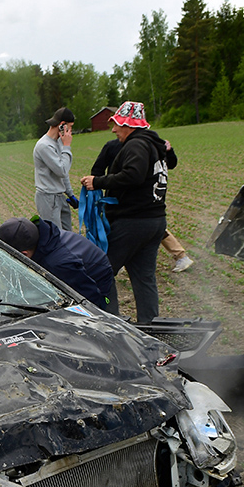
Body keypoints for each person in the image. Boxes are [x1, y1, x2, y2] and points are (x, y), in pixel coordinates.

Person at [80, 101, 169, 323]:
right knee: (144, 278)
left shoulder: (136, 145)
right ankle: (150, 325)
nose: (113, 130)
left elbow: (133, 175)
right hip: (155, 221)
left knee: (101, 270)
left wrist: (97, 182)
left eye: (117, 124)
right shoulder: (154, 145)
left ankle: (112, 322)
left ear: (129, 125)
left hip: (133, 221)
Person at [91, 136, 193, 272]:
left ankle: (180, 256)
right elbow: (97, 170)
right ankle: (180, 256)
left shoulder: (151, 144)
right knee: (118, 230)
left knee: (145, 229)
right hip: (117, 199)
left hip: (142, 200)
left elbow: (171, 164)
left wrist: (169, 151)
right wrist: (97, 185)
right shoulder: (112, 146)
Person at [0, 216, 118, 313]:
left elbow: (89, 298)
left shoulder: (58, 264)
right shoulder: (38, 235)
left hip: (98, 280)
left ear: (24, 254)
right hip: (76, 265)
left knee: (103, 321)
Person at [33, 107, 76, 230]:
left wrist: (70, 194)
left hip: (59, 196)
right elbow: (61, 170)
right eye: (70, 127)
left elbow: (64, 173)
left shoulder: (58, 143)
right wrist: (67, 146)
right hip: (47, 198)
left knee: (68, 235)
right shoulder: (44, 146)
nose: (71, 131)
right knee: (55, 236)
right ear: (62, 125)